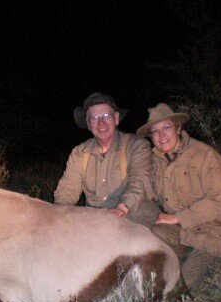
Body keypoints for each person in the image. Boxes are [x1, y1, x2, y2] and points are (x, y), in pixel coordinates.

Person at [136, 103, 221, 290]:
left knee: (179, 289)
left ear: (178, 127)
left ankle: (218, 268)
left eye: (166, 127)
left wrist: (177, 217)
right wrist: (121, 207)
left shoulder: (205, 155)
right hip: (185, 234)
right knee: (154, 234)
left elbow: (218, 201)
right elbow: (142, 189)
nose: (161, 136)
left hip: (213, 237)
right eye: (155, 131)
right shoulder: (157, 161)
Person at [54, 92, 158, 226]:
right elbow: (67, 190)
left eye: (105, 116)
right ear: (88, 123)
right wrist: (58, 214)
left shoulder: (137, 145)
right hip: (97, 219)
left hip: (133, 214)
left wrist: (122, 207)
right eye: (94, 118)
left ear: (116, 118)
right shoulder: (79, 152)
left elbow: (139, 180)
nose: (101, 122)